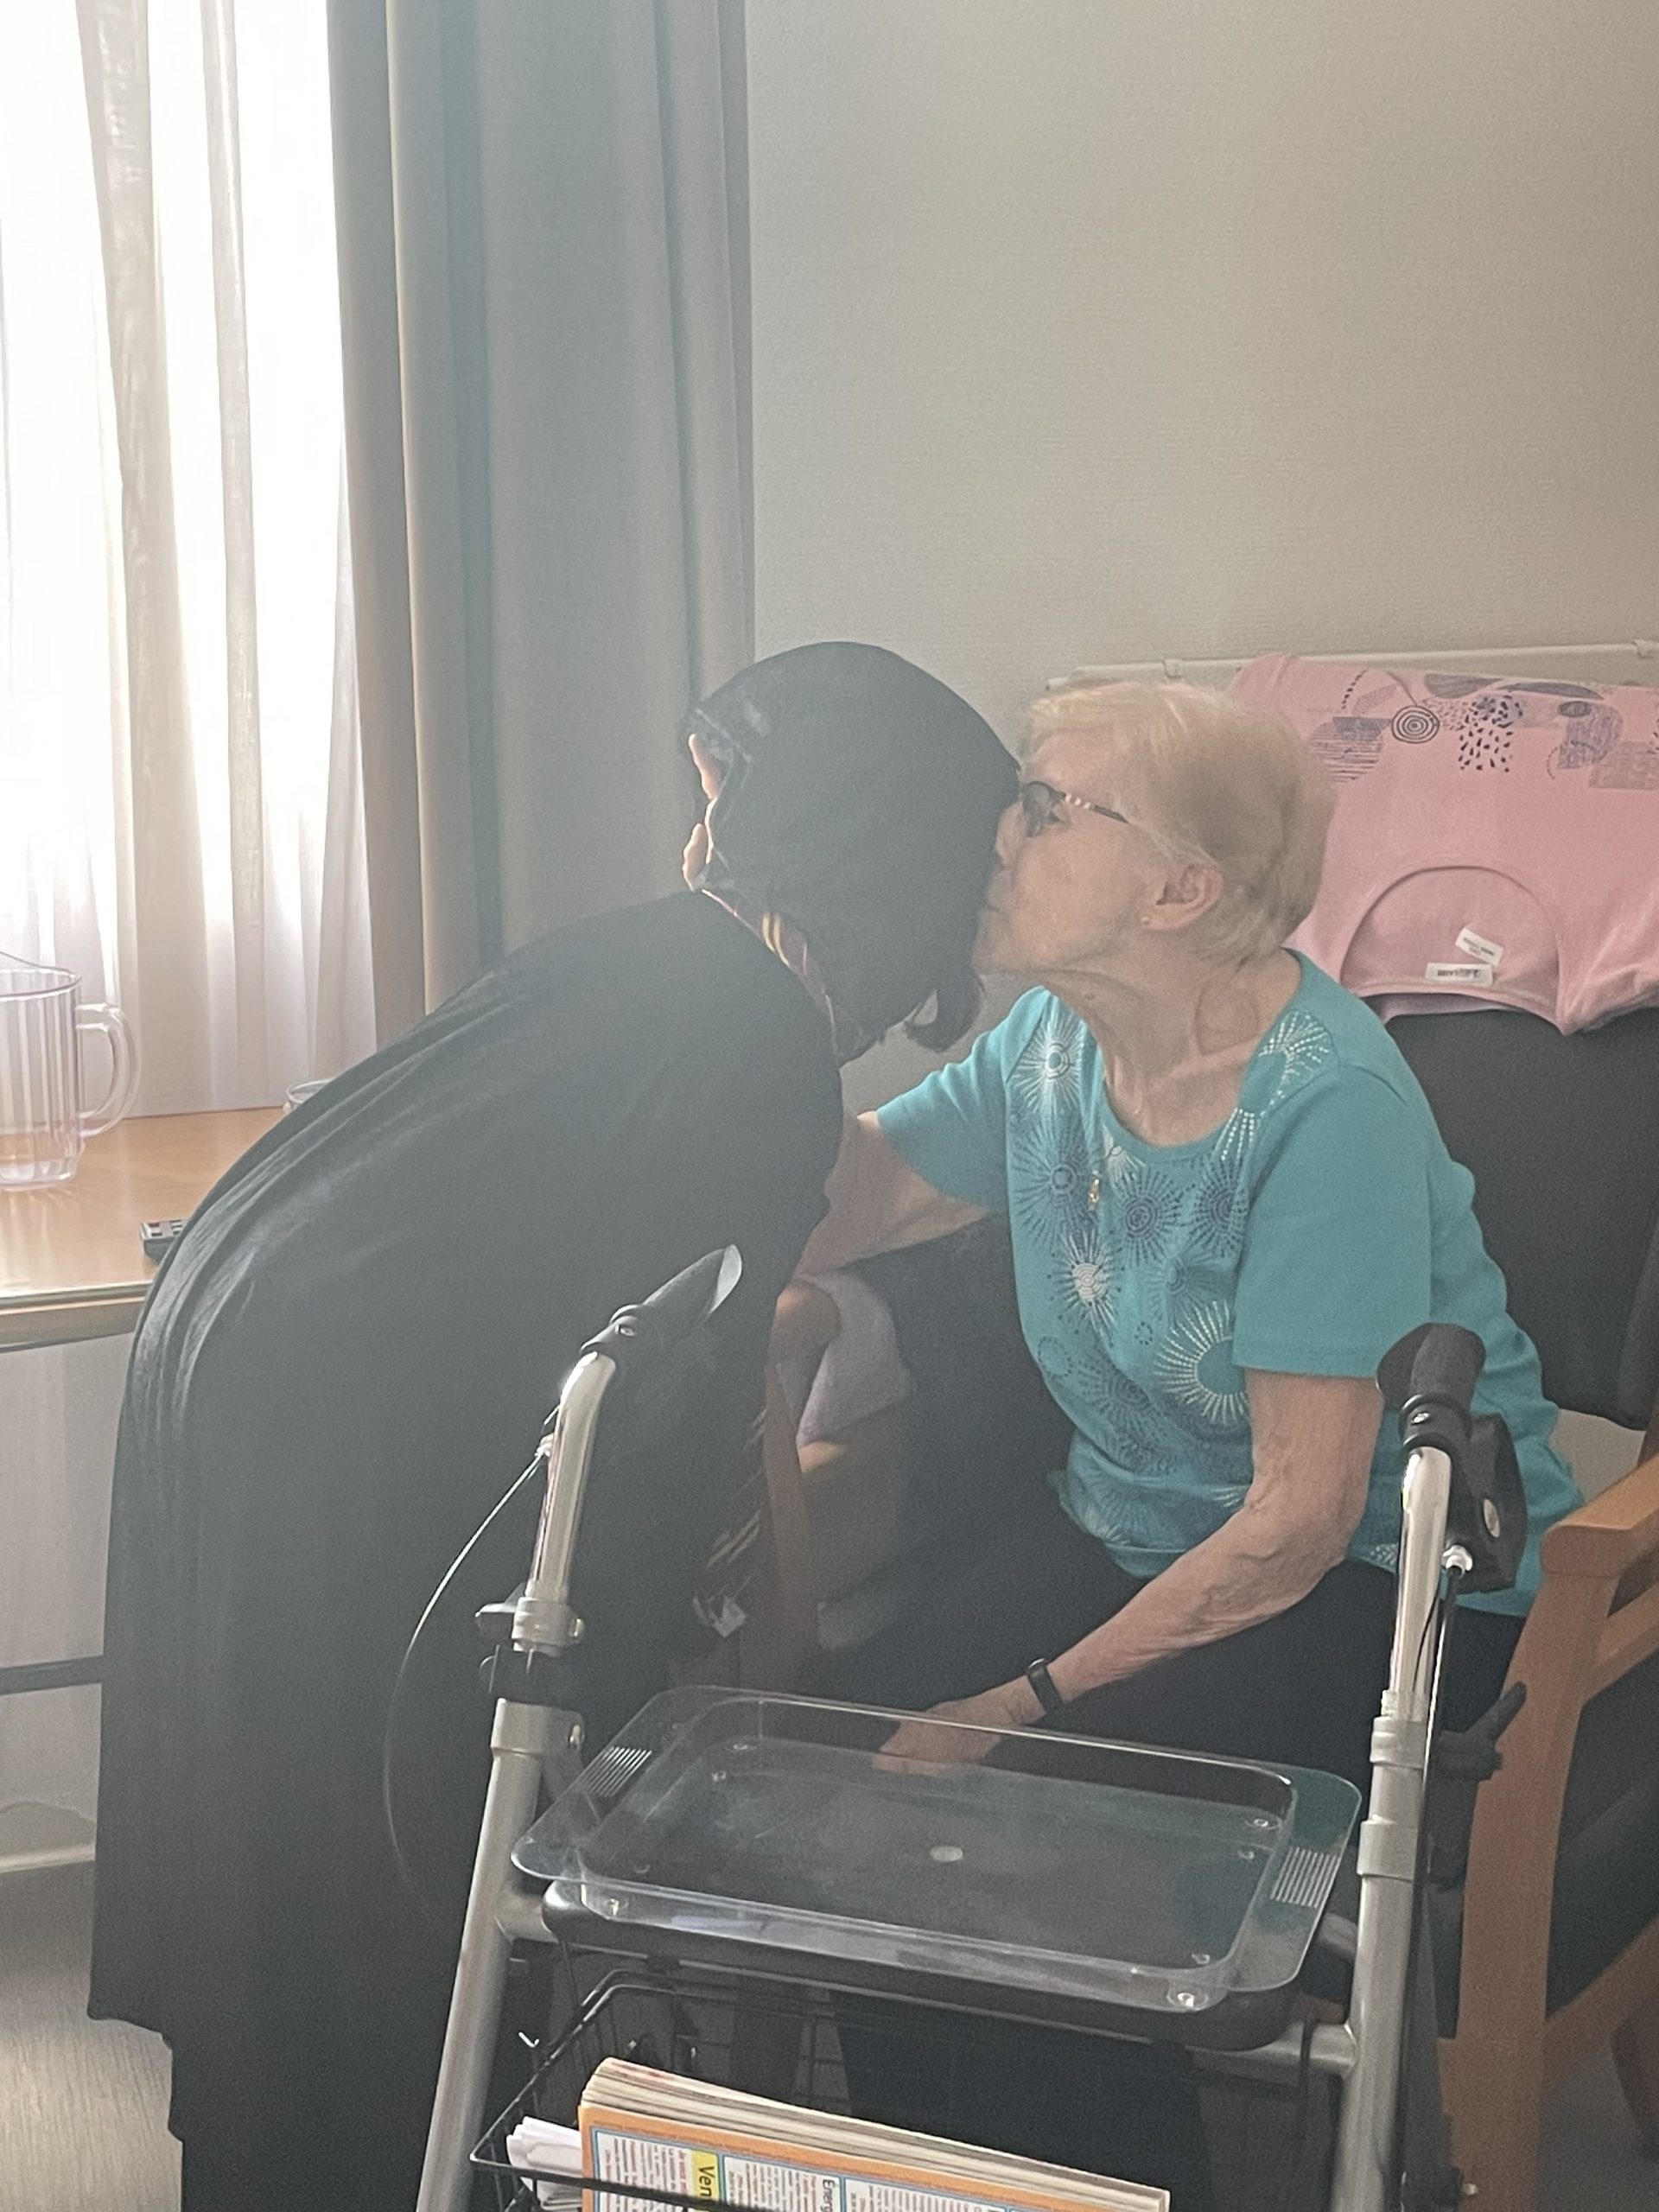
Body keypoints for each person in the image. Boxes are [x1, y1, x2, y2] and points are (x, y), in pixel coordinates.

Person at [88, 643, 1014, 2212]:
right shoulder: (755, 1043)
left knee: (279, 1842)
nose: (699, 839)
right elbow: (665, 1409)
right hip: (336, 1416)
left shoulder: (655, 962)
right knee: (380, 1853)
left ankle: (289, 2158)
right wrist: (621, 1691)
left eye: (723, 799)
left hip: (243, 1347)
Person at [806, 679, 1581, 1791]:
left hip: (1393, 1586)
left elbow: (1298, 1525)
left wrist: (1013, 1707)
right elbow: (833, 1215)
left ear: (1178, 889)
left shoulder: (1326, 1105)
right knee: (817, 1733)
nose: (996, 836)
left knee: (1034, 1801)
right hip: (1131, 1533)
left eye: (1044, 808)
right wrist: (797, 993)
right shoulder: (1050, 1041)